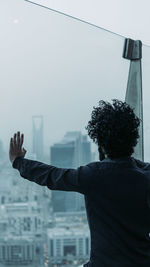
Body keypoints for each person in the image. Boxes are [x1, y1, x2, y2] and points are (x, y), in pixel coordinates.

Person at [9, 99, 150, 267]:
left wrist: (18, 162)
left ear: (101, 142)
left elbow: (53, 176)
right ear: (132, 138)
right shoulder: (146, 175)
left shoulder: (94, 175)